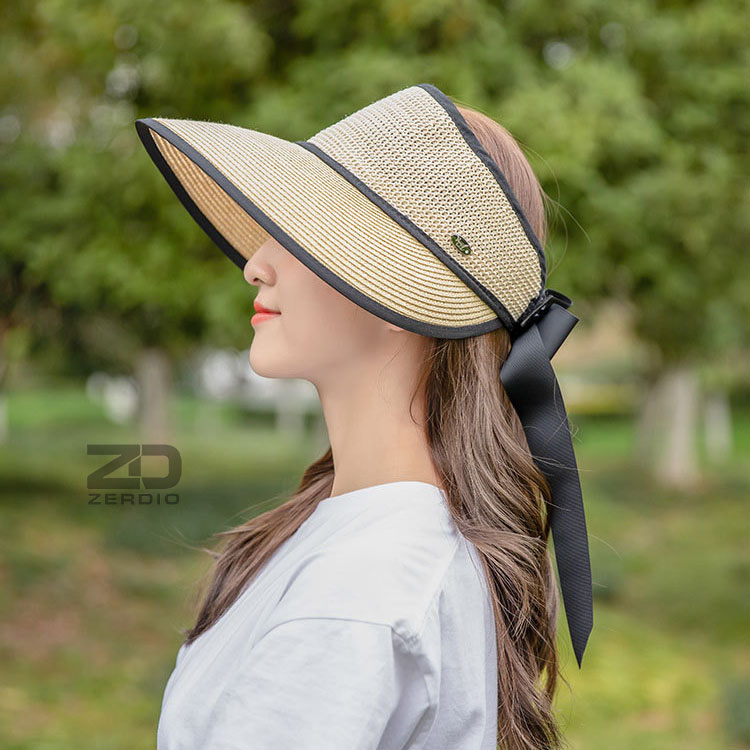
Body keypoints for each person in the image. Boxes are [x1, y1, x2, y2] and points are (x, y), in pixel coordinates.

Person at [135, 82, 593, 750]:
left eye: (298, 231)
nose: (255, 265)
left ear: (402, 289)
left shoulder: (359, 591)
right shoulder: (375, 544)